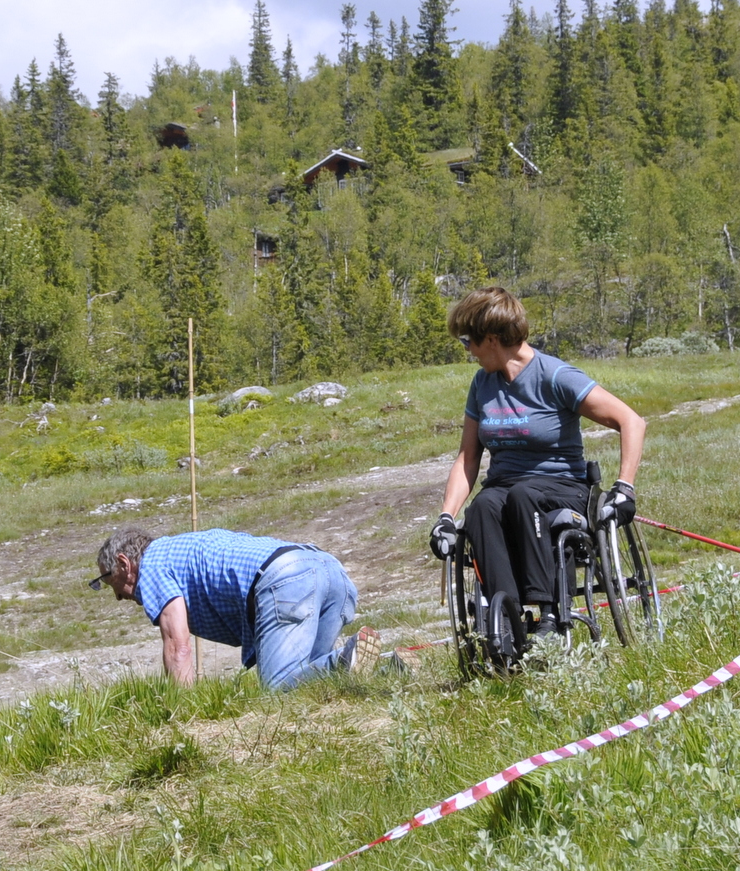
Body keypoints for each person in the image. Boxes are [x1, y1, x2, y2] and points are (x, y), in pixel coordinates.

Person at [428, 286, 644, 653]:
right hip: (505, 484)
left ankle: (549, 616)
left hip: (562, 484)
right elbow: (468, 457)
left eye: (469, 342)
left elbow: (631, 421)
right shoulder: (482, 384)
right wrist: (446, 516)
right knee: (482, 507)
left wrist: (625, 487)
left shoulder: (555, 375)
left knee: (523, 495)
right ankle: (506, 621)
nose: (468, 351)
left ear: (492, 340)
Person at [91, 526, 379, 689]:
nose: (116, 595)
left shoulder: (152, 565)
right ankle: (394, 663)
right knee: (309, 686)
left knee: (278, 686)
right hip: (329, 569)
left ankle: (345, 659)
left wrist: (182, 715)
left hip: (287, 580)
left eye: (108, 579)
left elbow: (178, 647)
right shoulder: (179, 549)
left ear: (124, 563)